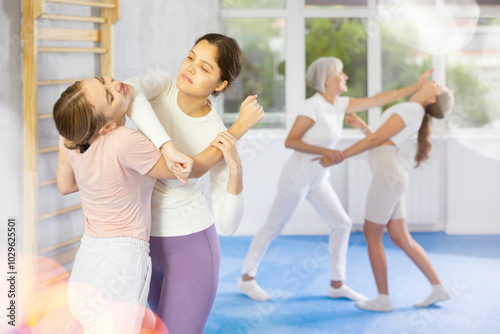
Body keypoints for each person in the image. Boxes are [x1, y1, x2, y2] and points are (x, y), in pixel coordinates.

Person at [54, 75, 262, 332]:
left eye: (102, 80)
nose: (115, 83)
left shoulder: (71, 140)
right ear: (106, 127)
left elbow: (65, 185)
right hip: (123, 258)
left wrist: (107, 180)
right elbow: (186, 169)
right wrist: (238, 127)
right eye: (109, 96)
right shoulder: (125, 141)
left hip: (88, 257)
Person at [237, 57, 434, 302]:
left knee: (342, 223)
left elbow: (378, 99)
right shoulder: (313, 105)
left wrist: (415, 88)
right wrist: (326, 152)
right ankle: (247, 278)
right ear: (327, 80)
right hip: (298, 176)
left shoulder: (339, 104)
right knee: (273, 226)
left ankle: (337, 284)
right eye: (341, 73)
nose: (346, 77)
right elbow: (291, 141)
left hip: (318, 178)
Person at [124, 33, 263, 334]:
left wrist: (235, 167)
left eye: (205, 68)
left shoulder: (217, 134)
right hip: (143, 242)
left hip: (190, 247)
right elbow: (128, 93)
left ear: (220, 84)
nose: (190, 68)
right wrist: (167, 146)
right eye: (190, 58)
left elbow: (228, 223)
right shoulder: (161, 87)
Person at [315, 78, 454, 312]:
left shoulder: (412, 108)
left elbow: (376, 140)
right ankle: (438, 287)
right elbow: (382, 141)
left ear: (431, 98)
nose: (434, 82)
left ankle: (383, 298)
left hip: (389, 178)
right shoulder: (414, 111)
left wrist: (339, 155)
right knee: (401, 237)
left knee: (372, 235)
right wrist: (362, 126)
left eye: (437, 86)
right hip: (393, 176)